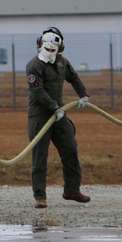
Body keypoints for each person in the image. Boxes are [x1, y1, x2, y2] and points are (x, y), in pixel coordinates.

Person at [26, 27, 91, 208]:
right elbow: (37, 90)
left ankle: (72, 190)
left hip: (59, 114)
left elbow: (74, 77)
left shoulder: (62, 63)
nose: (50, 52)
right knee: (40, 156)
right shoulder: (34, 65)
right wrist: (53, 106)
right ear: (40, 44)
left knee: (70, 149)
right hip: (40, 116)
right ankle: (40, 196)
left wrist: (83, 94)